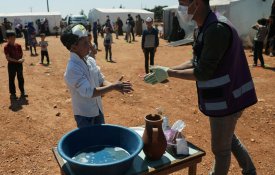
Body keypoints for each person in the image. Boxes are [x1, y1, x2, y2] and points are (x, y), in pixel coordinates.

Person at [144, 0, 257, 175]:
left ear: (197, 4)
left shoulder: (216, 29)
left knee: (221, 150)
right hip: (223, 98)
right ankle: (250, 170)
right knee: (228, 138)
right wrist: (169, 70)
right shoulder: (204, 27)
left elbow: (203, 72)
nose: (181, 9)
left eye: (183, 4)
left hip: (229, 99)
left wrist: (170, 74)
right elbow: (195, 61)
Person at [60, 24, 133, 128]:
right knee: (89, 142)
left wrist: (115, 86)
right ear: (74, 47)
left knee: (101, 140)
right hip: (84, 116)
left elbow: (101, 80)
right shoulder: (73, 68)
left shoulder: (89, 60)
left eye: (88, 41)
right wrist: (113, 87)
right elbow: (89, 92)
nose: (89, 45)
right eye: (85, 43)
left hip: (97, 109)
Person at [4, 30, 27, 99]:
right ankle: (13, 93)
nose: (13, 39)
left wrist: (22, 59)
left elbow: (21, 55)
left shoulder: (18, 46)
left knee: (20, 78)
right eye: (10, 38)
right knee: (11, 79)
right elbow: (8, 58)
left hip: (19, 64)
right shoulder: (6, 47)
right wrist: (17, 61)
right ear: (7, 38)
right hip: (11, 65)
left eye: (14, 37)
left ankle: (22, 92)